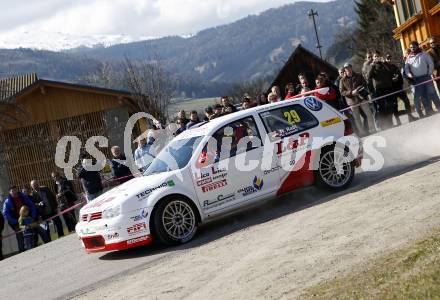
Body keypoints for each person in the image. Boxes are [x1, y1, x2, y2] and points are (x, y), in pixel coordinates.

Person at [3, 186, 49, 252]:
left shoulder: (23, 196)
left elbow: (32, 205)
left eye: (15, 190)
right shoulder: (7, 202)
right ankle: (22, 251)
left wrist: (33, 216)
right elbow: (6, 214)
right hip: (18, 221)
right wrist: (15, 222)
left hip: (29, 218)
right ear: (9, 192)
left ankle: (47, 242)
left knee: (40, 229)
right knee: (20, 236)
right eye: (12, 191)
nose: (14, 192)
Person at [404, 40, 440, 117]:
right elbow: (406, 69)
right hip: (417, 79)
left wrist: (429, 73)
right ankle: (429, 111)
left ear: (417, 46)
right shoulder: (409, 58)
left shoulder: (424, 54)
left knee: (432, 93)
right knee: (423, 95)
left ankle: (439, 107)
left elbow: (430, 63)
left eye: (413, 46)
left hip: (426, 76)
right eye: (411, 47)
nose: (412, 48)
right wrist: (410, 75)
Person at [340, 63, 376, 136]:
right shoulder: (342, 80)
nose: (348, 69)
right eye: (346, 68)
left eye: (349, 67)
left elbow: (365, 84)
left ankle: (372, 129)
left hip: (362, 98)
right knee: (357, 118)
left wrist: (358, 90)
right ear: (345, 69)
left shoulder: (359, 75)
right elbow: (342, 92)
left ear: (351, 67)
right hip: (352, 101)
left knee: (369, 114)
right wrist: (351, 92)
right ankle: (362, 132)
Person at [367, 50, 396, 130]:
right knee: (381, 108)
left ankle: (390, 123)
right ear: (373, 58)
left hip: (388, 87)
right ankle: (384, 125)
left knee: (389, 106)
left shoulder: (384, 64)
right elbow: (368, 77)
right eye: (375, 56)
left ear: (380, 56)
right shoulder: (372, 66)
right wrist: (372, 66)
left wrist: (385, 63)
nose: (376, 58)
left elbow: (390, 72)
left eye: (377, 56)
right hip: (379, 89)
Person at [385, 54, 417, 123]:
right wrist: (392, 79)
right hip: (391, 89)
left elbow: (400, 76)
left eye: (390, 58)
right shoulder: (384, 68)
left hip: (399, 87)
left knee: (406, 101)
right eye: (388, 59)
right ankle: (398, 120)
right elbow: (386, 79)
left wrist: (398, 80)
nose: (389, 60)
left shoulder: (394, 67)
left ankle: (410, 116)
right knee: (395, 105)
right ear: (385, 59)